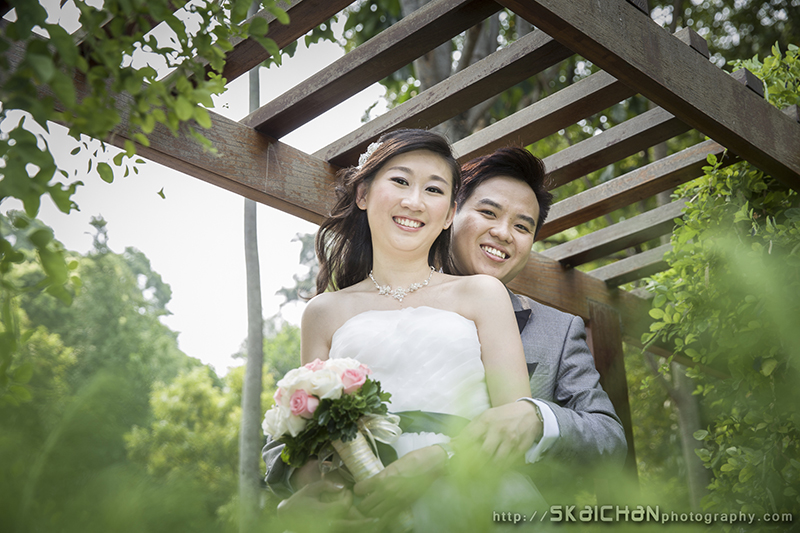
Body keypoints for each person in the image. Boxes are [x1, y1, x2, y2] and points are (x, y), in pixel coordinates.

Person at [267, 129, 543, 529]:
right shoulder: (323, 312)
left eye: (434, 190)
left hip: (475, 492)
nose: (414, 202)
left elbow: (513, 424)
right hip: (371, 504)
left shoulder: (483, 294)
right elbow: (315, 440)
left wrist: (439, 462)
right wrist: (314, 494)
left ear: (448, 214)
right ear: (363, 194)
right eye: (400, 181)